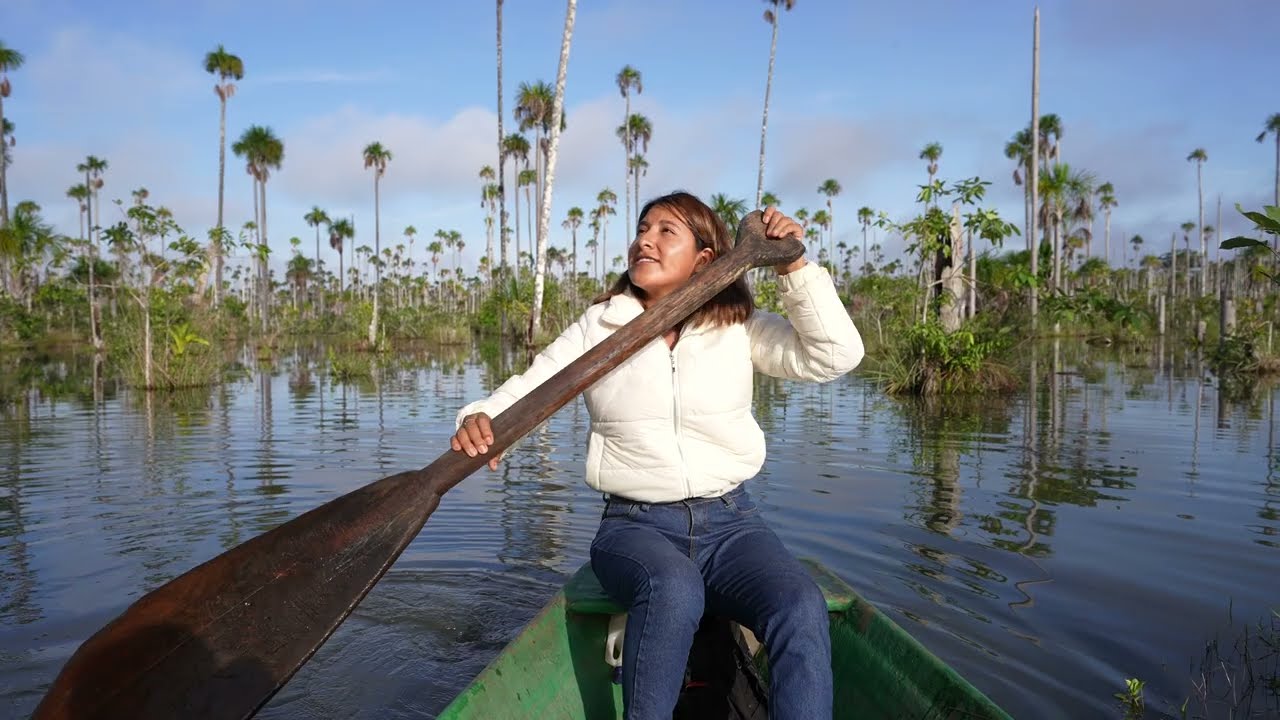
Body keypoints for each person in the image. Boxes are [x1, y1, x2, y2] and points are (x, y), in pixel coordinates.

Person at [451, 190, 863, 719]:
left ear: (705, 258)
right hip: (635, 527)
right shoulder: (599, 327)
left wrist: (795, 264)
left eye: (667, 231)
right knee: (673, 587)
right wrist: (479, 417)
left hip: (734, 525)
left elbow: (835, 355)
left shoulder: (737, 328)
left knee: (800, 604)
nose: (645, 238)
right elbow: (530, 387)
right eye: (643, 228)